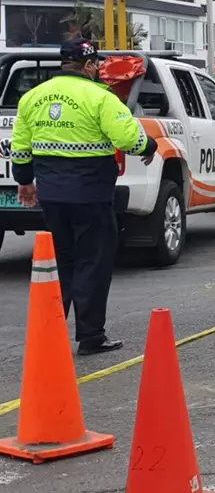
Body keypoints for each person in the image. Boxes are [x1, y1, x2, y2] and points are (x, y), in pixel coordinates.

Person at [9, 38, 158, 355]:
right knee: (93, 261)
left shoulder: (32, 98)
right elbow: (127, 137)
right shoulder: (99, 97)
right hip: (90, 195)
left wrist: (24, 181)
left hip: (51, 196)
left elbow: (20, 147)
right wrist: (149, 147)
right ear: (88, 65)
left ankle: (50, 332)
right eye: (97, 65)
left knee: (61, 261)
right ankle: (90, 336)